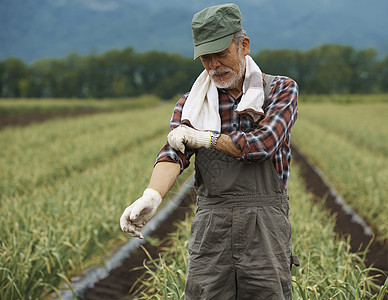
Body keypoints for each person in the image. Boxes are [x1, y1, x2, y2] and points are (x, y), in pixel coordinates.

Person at [120, 3, 299, 299]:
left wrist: (206, 138)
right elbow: (173, 151)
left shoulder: (279, 90)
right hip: (211, 228)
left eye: (221, 54)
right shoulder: (192, 103)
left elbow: (263, 143)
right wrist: (151, 196)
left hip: (264, 227)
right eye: (206, 57)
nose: (214, 65)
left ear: (244, 45)